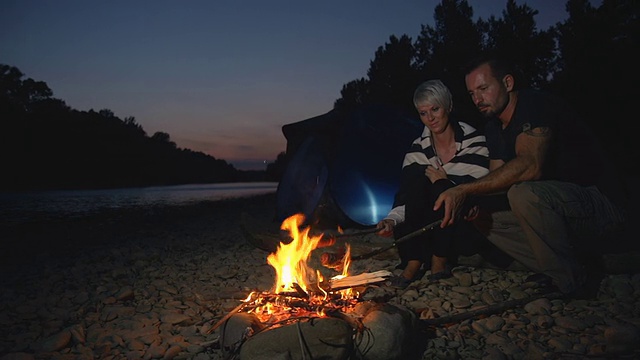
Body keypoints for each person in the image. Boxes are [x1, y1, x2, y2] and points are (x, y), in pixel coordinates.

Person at [433, 53, 629, 296]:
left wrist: (462, 189)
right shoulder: (494, 126)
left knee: (523, 193)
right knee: (481, 216)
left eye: (483, 88)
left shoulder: (534, 104)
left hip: (602, 206)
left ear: (508, 83)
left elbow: (530, 166)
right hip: (560, 214)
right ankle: (565, 265)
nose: (477, 99)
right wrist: (470, 202)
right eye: (472, 93)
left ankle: (568, 280)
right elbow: (496, 181)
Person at [376, 79, 512, 289]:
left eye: (435, 109)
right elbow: (408, 198)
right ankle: (414, 261)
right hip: (422, 228)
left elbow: (478, 194)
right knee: (418, 177)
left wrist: (444, 183)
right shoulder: (417, 149)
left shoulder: (474, 142)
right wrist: (391, 220)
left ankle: (438, 260)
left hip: (460, 227)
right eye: (423, 113)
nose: (430, 118)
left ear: (448, 106)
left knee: (440, 187)